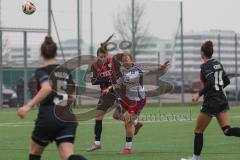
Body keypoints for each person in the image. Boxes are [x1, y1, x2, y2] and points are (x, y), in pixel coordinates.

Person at [17, 36, 87, 160]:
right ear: (56, 53)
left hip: (49, 117)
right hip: (67, 118)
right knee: (68, 156)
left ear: (41, 53)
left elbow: (47, 88)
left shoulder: (41, 71)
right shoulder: (65, 71)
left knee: (34, 152)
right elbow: (72, 96)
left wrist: (28, 106)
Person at [182, 41, 240, 160]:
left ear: (202, 53)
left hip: (211, 102)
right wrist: (218, 90)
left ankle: (195, 158)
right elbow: (227, 81)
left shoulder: (205, 66)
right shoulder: (217, 63)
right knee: (227, 130)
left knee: (198, 131)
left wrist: (198, 94)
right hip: (222, 100)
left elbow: (211, 82)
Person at [111, 53, 147, 154]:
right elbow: (119, 85)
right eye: (124, 60)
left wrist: (160, 68)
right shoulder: (122, 71)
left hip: (137, 100)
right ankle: (137, 123)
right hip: (127, 98)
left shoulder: (137, 71)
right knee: (116, 115)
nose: (125, 62)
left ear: (132, 61)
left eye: (127, 60)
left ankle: (128, 148)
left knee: (128, 123)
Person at [86, 36, 117, 152]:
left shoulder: (113, 62)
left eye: (105, 56)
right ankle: (97, 143)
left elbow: (118, 77)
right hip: (105, 93)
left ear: (107, 55)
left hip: (117, 90)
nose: (103, 58)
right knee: (98, 115)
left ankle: (136, 121)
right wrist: (106, 80)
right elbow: (93, 81)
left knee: (119, 115)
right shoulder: (94, 66)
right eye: (101, 57)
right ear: (97, 56)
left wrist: (110, 83)